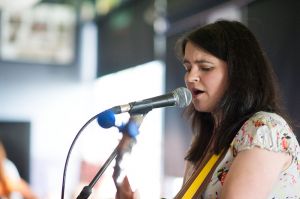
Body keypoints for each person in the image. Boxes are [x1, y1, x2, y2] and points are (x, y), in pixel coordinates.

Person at [114, 19, 300, 198]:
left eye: (205, 67)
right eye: (188, 68)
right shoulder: (206, 137)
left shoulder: (265, 129)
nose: (190, 78)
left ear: (239, 72)